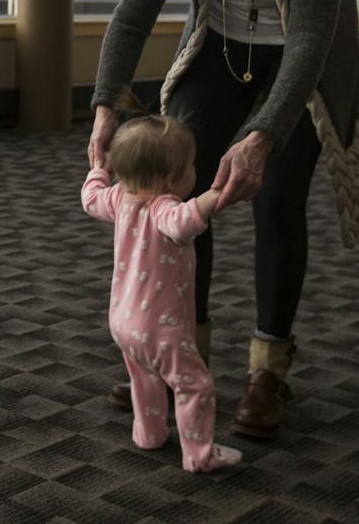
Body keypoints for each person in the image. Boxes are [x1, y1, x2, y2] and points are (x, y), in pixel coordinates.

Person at [88, 0, 359, 441]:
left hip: (300, 58)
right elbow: (133, 15)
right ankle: (184, 353)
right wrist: (106, 104)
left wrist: (262, 138)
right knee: (178, 187)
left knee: (276, 196)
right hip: (217, 49)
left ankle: (269, 369)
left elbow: (308, 45)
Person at [81, 113, 243, 472]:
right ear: (172, 177)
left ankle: (148, 433)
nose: (193, 171)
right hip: (161, 327)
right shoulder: (163, 208)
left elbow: (90, 198)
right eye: (190, 166)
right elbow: (184, 221)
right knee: (194, 385)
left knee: (145, 378)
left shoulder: (119, 198)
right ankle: (200, 455)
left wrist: (98, 167)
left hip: (123, 322)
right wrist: (217, 194)